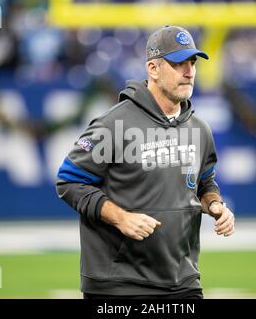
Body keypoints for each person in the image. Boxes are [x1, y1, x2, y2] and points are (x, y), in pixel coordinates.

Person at [56, 25, 235, 299]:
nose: (189, 71)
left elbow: (204, 181)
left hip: (183, 280)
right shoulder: (114, 124)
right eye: (178, 63)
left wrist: (215, 204)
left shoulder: (199, 129)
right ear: (153, 69)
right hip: (119, 283)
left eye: (192, 62)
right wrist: (121, 218)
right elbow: (69, 181)